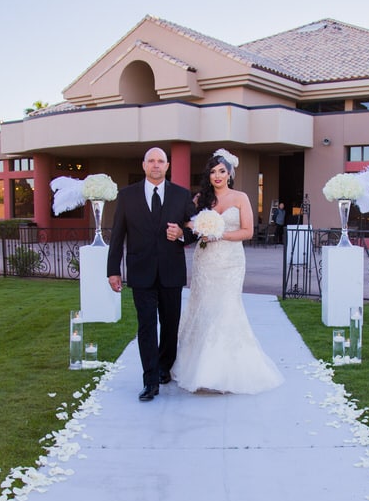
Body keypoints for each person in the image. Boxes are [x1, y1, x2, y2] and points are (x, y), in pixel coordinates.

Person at [171, 150, 284, 394]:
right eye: (212, 172)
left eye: (222, 171)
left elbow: (247, 231)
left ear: (230, 173)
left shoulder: (240, 197)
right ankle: (198, 367)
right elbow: (188, 223)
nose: (217, 175)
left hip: (231, 262)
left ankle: (223, 371)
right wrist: (197, 227)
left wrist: (218, 233)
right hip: (205, 261)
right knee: (203, 307)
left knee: (226, 308)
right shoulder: (201, 199)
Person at [107, 147, 197, 402]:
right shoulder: (126, 196)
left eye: (161, 161)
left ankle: (164, 367)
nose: (156, 165)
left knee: (170, 325)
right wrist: (113, 270)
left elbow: (195, 228)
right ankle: (150, 381)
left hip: (171, 271)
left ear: (167, 166)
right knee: (146, 326)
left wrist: (181, 234)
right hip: (141, 272)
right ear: (144, 165)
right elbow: (117, 235)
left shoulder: (181, 195)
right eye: (151, 161)